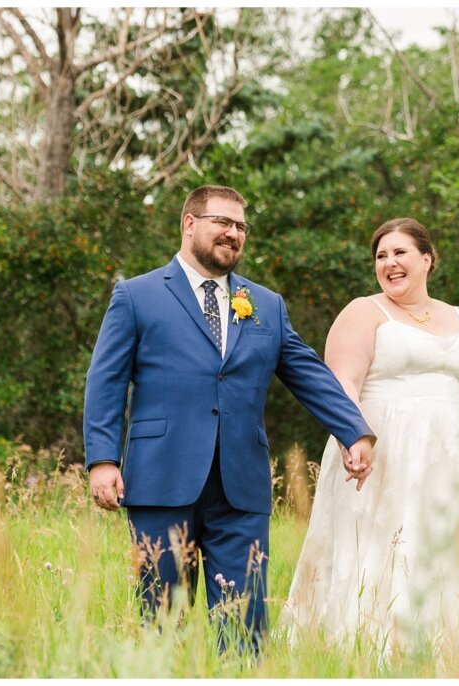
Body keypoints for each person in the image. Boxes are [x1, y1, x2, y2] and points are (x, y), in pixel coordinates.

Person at [83, 184, 376, 651]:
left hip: (240, 486)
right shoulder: (136, 296)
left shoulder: (266, 305)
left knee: (243, 624)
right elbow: (106, 380)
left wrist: (353, 430)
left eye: (241, 226)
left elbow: (307, 372)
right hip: (162, 480)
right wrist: (102, 459)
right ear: (189, 224)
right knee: (162, 622)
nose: (233, 233)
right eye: (223, 222)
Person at [281, 217, 459, 658]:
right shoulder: (365, 312)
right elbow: (342, 382)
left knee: (452, 558)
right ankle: (368, 655)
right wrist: (354, 440)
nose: (389, 263)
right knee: (383, 554)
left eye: (400, 252)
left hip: (452, 466)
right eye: (381, 256)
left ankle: (453, 656)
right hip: (382, 457)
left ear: (427, 259)